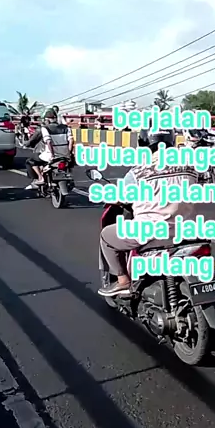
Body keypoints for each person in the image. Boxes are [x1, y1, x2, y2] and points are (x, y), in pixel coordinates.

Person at [98, 128, 199, 298]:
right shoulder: (190, 165)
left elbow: (121, 196)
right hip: (187, 229)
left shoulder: (139, 171)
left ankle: (123, 281)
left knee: (106, 236)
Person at [25, 108, 74, 186]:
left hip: (50, 155)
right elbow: (71, 141)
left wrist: (52, 155)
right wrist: (69, 153)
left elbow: (48, 142)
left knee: (30, 161)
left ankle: (40, 177)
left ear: (46, 120)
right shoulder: (66, 128)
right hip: (65, 155)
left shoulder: (45, 128)